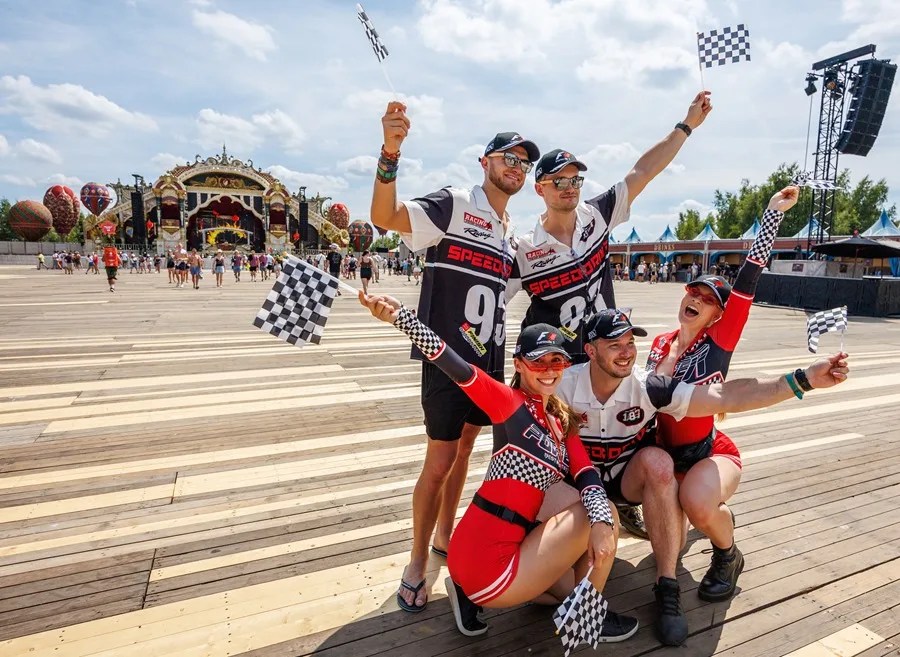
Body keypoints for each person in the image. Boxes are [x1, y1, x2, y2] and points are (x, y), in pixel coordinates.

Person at [549, 308, 850, 645]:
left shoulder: (647, 385)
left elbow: (726, 396)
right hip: (581, 485)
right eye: (614, 345)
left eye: (630, 343)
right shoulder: (562, 384)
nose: (627, 352)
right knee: (549, 589)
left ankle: (667, 585)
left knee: (658, 462)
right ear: (590, 350)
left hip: (627, 479)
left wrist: (802, 379)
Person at [361, 291, 638, 641]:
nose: (550, 371)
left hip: (478, 550)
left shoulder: (560, 417)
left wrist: (597, 517)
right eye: (539, 362)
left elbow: (585, 474)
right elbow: (451, 361)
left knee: (573, 580)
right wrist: (401, 318)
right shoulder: (509, 403)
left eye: (558, 362)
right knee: (606, 515)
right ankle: (585, 619)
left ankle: (466, 591)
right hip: (490, 563)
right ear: (519, 364)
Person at [505, 92, 712, 540]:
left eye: (576, 178)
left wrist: (686, 125)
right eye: (558, 180)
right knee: (548, 446)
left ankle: (623, 498)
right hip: (558, 371)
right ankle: (525, 524)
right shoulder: (524, 247)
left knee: (630, 431)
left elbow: (643, 171)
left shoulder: (596, 215)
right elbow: (491, 298)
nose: (569, 186)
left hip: (606, 357)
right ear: (539, 188)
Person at [370, 99, 539, 613]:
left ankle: (445, 538)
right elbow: (384, 217)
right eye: (507, 157)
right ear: (485, 162)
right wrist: (390, 152)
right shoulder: (455, 202)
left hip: (485, 366)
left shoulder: (510, 233)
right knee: (440, 461)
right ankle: (417, 561)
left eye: (523, 162)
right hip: (444, 359)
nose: (515, 166)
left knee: (466, 452)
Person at [644, 186, 799, 605]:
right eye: (693, 291)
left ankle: (729, 555)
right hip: (664, 455)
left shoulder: (719, 342)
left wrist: (771, 216)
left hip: (710, 452)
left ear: (718, 315)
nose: (696, 298)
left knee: (698, 505)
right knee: (667, 550)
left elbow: (748, 278)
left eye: (709, 299)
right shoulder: (660, 342)